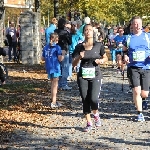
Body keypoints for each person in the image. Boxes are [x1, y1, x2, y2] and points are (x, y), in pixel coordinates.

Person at [72, 24, 108, 132]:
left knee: (93, 99)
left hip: (95, 74)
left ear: (93, 32)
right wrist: (79, 57)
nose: (88, 32)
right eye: (86, 30)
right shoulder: (79, 47)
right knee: (85, 99)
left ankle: (96, 114)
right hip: (83, 75)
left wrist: (101, 61)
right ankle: (88, 123)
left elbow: (105, 57)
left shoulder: (98, 45)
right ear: (83, 33)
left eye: (90, 30)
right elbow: (73, 63)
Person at [123, 16, 150, 121]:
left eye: (139, 23)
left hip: (146, 66)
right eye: (135, 23)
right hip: (133, 67)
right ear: (132, 25)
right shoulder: (128, 38)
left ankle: (143, 99)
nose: (138, 25)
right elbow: (124, 50)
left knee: (144, 93)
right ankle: (140, 113)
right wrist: (125, 56)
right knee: (136, 91)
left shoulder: (148, 36)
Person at [41, 33, 65, 108]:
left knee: (52, 84)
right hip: (55, 67)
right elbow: (60, 58)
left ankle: (53, 100)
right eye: (57, 39)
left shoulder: (46, 47)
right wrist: (63, 54)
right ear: (55, 39)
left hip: (48, 67)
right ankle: (53, 102)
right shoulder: (57, 48)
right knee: (55, 85)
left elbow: (42, 58)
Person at [54, 18, 72, 90]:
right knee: (65, 68)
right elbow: (70, 42)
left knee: (58, 67)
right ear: (64, 24)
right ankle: (63, 84)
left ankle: (57, 84)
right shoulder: (66, 32)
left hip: (56, 50)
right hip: (64, 50)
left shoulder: (55, 32)